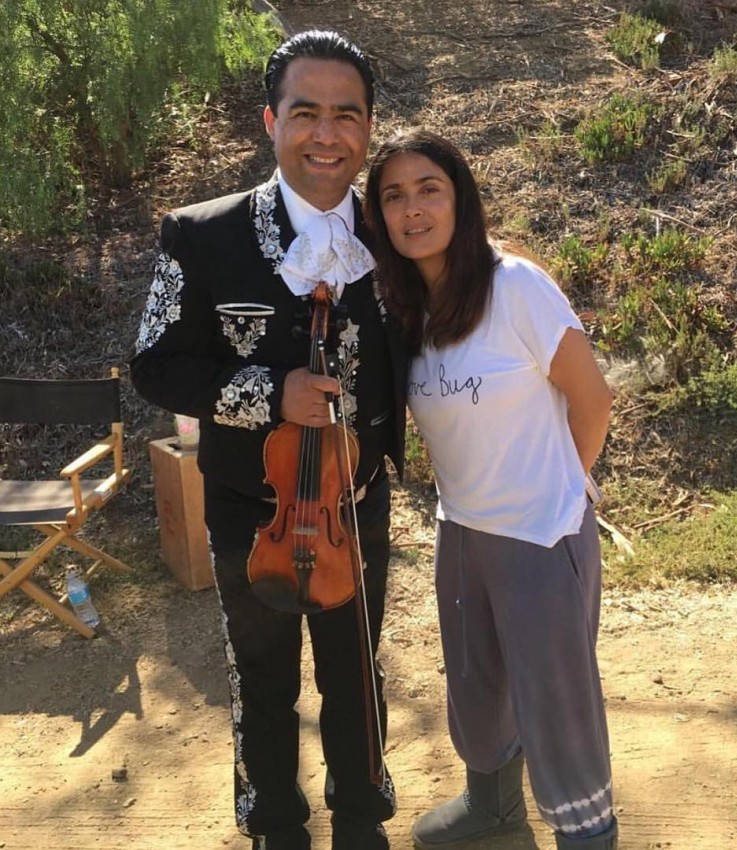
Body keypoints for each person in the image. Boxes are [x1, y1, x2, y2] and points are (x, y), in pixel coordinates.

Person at [131, 30, 407, 850]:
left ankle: (361, 815)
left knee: (356, 669)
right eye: (305, 112)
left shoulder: (398, 232)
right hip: (251, 507)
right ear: (270, 121)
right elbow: (153, 365)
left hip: (357, 504)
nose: (327, 134)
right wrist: (267, 394)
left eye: (347, 115)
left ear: (368, 128)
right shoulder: (199, 234)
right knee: (261, 675)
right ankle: (276, 823)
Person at [364, 129, 618, 850]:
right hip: (463, 531)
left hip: (540, 534)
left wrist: (561, 488)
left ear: (461, 199)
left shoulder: (516, 287)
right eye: (394, 197)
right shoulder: (407, 308)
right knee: (476, 686)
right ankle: (494, 806)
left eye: (429, 190)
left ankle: (588, 833)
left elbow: (592, 399)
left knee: (557, 703)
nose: (413, 209)